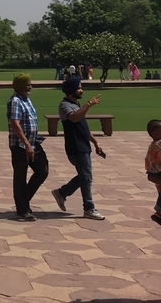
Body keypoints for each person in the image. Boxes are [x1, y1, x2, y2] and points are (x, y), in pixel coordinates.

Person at [50, 77, 105, 220]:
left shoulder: (76, 104)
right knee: (86, 177)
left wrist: (95, 142)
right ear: (71, 90)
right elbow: (74, 118)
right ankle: (89, 208)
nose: (81, 90)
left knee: (84, 176)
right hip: (75, 146)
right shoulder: (65, 105)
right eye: (78, 88)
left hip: (83, 145)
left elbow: (82, 126)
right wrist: (88, 104)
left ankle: (62, 193)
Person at [7, 74, 48, 222]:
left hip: (33, 142)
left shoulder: (26, 99)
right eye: (28, 84)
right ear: (21, 86)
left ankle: (23, 201)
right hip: (20, 146)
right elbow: (15, 123)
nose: (31, 87)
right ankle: (22, 210)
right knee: (20, 176)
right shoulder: (15, 101)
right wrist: (26, 145)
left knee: (42, 170)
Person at [145, 120, 161, 227]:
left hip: (154, 173)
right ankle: (159, 212)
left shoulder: (153, 144)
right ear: (155, 134)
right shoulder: (159, 144)